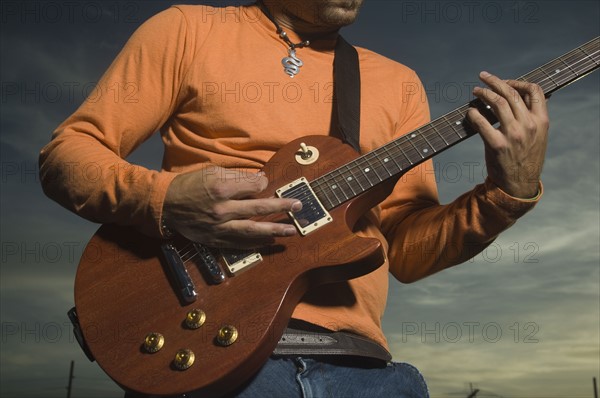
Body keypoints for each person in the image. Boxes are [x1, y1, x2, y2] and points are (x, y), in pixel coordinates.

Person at [39, 0, 549, 397]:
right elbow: (67, 155)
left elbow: (408, 253)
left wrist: (507, 192)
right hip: (210, 349)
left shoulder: (398, 84)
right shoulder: (186, 30)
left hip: (364, 370)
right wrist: (166, 198)